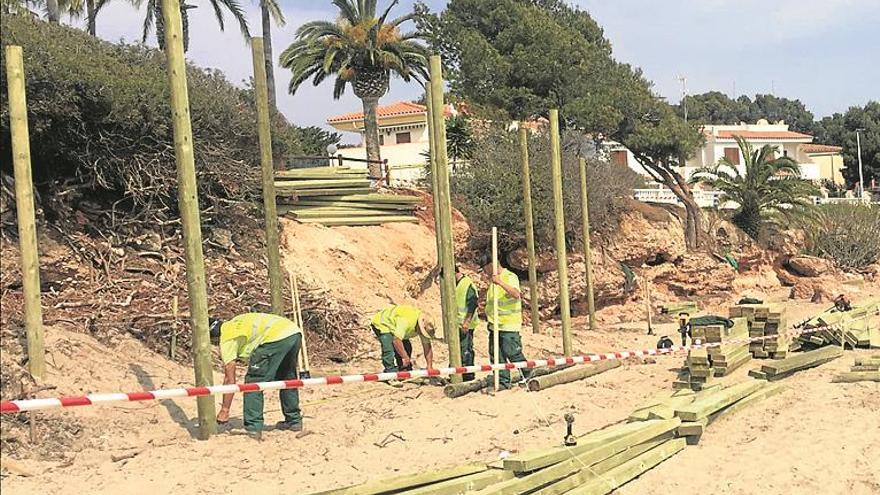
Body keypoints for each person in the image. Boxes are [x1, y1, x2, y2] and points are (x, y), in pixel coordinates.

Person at [210, 313, 303, 440]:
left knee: (253, 382)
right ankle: (294, 421)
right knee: (287, 377)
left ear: (214, 339)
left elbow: (229, 378)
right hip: (294, 332)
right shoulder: (235, 322)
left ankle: (253, 428)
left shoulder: (227, 339)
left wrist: (225, 409)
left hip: (275, 338)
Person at [483, 259, 531, 389]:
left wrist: (500, 282)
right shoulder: (493, 282)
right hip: (495, 325)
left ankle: (528, 374)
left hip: (508, 324)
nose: (484, 272)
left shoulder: (509, 277)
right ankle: (503, 382)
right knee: (496, 355)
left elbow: (516, 294)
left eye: (485, 268)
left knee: (512, 352)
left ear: (491, 265)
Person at [370, 304, 435, 373]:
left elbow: (427, 347)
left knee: (407, 347)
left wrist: (429, 366)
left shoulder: (425, 325)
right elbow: (396, 341)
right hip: (382, 322)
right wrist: (405, 357)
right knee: (388, 349)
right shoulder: (407, 321)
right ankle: (390, 371)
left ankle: (404, 369)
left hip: (397, 327)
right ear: (419, 326)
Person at [455, 265, 479, 381]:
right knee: (460, 348)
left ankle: (467, 374)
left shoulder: (466, 284)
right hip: (459, 324)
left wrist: (466, 322)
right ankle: (459, 372)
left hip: (466, 324)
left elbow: (473, 303)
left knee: (465, 348)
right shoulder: (457, 284)